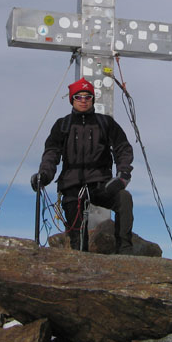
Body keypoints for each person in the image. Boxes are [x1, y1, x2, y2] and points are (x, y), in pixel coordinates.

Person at [31, 77, 135, 254]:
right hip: (72, 186)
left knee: (124, 198)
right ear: (72, 99)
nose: (84, 100)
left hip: (101, 184)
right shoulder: (62, 125)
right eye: (79, 97)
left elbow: (122, 148)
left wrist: (123, 174)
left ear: (93, 99)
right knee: (78, 240)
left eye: (88, 97)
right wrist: (45, 174)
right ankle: (81, 262)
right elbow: (52, 152)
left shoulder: (105, 123)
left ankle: (124, 253)